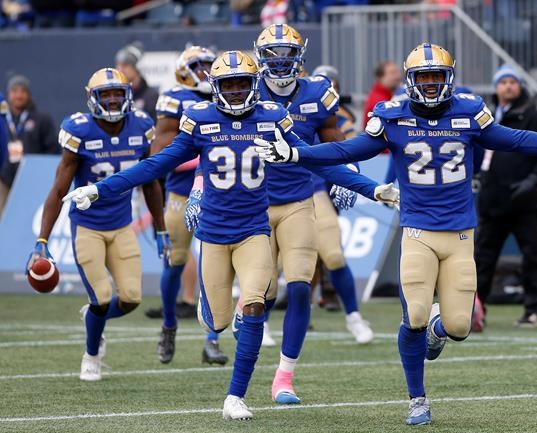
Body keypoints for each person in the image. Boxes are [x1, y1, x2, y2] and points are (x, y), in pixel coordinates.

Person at [253, 43, 537, 425]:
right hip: (417, 230)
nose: (430, 83)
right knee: (414, 315)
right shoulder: (393, 116)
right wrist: (297, 154)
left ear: (449, 78)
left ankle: (437, 330)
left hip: (460, 234)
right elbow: (349, 150)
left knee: (459, 326)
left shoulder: (468, 111)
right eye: (423, 77)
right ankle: (417, 399)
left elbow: (515, 139)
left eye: (436, 76)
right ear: (411, 80)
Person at [63, 51, 398, 420]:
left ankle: (235, 397)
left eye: (242, 83)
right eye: (228, 84)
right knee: (217, 322)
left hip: (254, 229)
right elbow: (156, 164)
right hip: (213, 233)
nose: (236, 91)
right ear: (216, 87)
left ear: (254, 85)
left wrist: (371, 189)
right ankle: (219, 318)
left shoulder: (271, 118)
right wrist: (100, 189)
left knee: (255, 305)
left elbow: (311, 158)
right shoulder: (200, 119)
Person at [235, 24, 377, 406]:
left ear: (300, 55)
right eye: (273, 54)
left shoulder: (318, 93)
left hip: (300, 199)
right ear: (260, 57)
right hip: (255, 202)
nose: (280, 62)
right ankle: (238, 319)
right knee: (261, 292)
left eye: (287, 53)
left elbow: (336, 144)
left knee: (300, 285)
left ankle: (284, 378)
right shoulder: (244, 89)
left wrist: (348, 176)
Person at [27, 68, 168, 382]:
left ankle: (92, 317)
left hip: (122, 225)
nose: (114, 99)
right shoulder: (80, 130)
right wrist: (42, 240)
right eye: (107, 94)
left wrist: (160, 228)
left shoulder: (141, 125)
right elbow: (59, 189)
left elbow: (150, 182)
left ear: (128, 95)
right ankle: (91, 355)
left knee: (131, 298)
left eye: (118, 93)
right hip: (88, 226)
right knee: (102, 298)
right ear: (93, 98)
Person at [149, 46, 228, 366]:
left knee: (216, 266)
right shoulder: (175, 100)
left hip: (222, 196)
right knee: (176, 261)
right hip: (182, 194)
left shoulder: (229, 95)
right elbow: (160, 153)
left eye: (209, 64)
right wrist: (203, 159)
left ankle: (212, 339)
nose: (206, 71)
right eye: (199, 66)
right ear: (183, 71)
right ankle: (169, 325)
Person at [474, 65, 537, 329]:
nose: (508, 86)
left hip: (524, 201)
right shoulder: (485, 116)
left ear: (520, 86)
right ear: (496, 87)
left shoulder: (534, 117)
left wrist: (533, 181)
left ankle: (535, 309)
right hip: (492, 199)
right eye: (503, 82)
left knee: (532, 256)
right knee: (482, 258)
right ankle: (474, 309)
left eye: (513, 81)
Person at [311, 63, 374, 342]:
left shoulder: (339, 116)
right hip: (279, 193)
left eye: (331, 86)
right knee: (273, 264)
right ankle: (256, 320)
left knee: (332, 255)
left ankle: (353, 316)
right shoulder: (289, 107)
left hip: (318, 190)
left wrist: (349, 175)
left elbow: (349, 148)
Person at [0, 75, 58, 213]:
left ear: (29, 94)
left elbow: (53, 150)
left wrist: (40, 171)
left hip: (32, 181)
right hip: (5, 179)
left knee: (30, 215)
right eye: (15, 91)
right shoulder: (3, 120)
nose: (19, 96)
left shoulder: (42, 119)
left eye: (23, 91)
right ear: (8, 95)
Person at [115, 43, 159, 120]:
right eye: (118, 65)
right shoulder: (115, 95)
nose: (120, 70)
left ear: (137, 67)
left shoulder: (151, 96)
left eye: (125, 65)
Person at [362, 61, 402, 126]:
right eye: (393, 73)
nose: (398, 76)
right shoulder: (378, 102)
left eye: (398, 72)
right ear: (381, 77)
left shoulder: (390, 94)